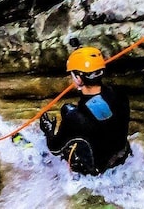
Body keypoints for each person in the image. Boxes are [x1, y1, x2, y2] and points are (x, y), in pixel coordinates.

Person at [39, 46, 131, 175]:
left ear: (78, 79)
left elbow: (55, 149)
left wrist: (48, 130)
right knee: (67, 109)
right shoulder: (119, 94)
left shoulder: (75, 119)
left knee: (68, 115)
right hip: (123, 154)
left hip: (98, 170)